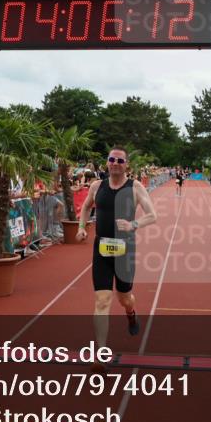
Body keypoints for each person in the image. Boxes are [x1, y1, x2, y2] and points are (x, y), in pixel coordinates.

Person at [76, 147, 158, 366]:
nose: (115, 163)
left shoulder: (135, 187)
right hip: (101, 247)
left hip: (124, 250)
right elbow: (85, 208)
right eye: (111, 159)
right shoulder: (96, 186)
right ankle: (100, 353)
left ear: (126, 165)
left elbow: (152, 215)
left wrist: (133, 224)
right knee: (102, 300)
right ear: (107, 162)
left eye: (119, 160)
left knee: (124, 298)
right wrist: (82, 228)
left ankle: (131, 312)